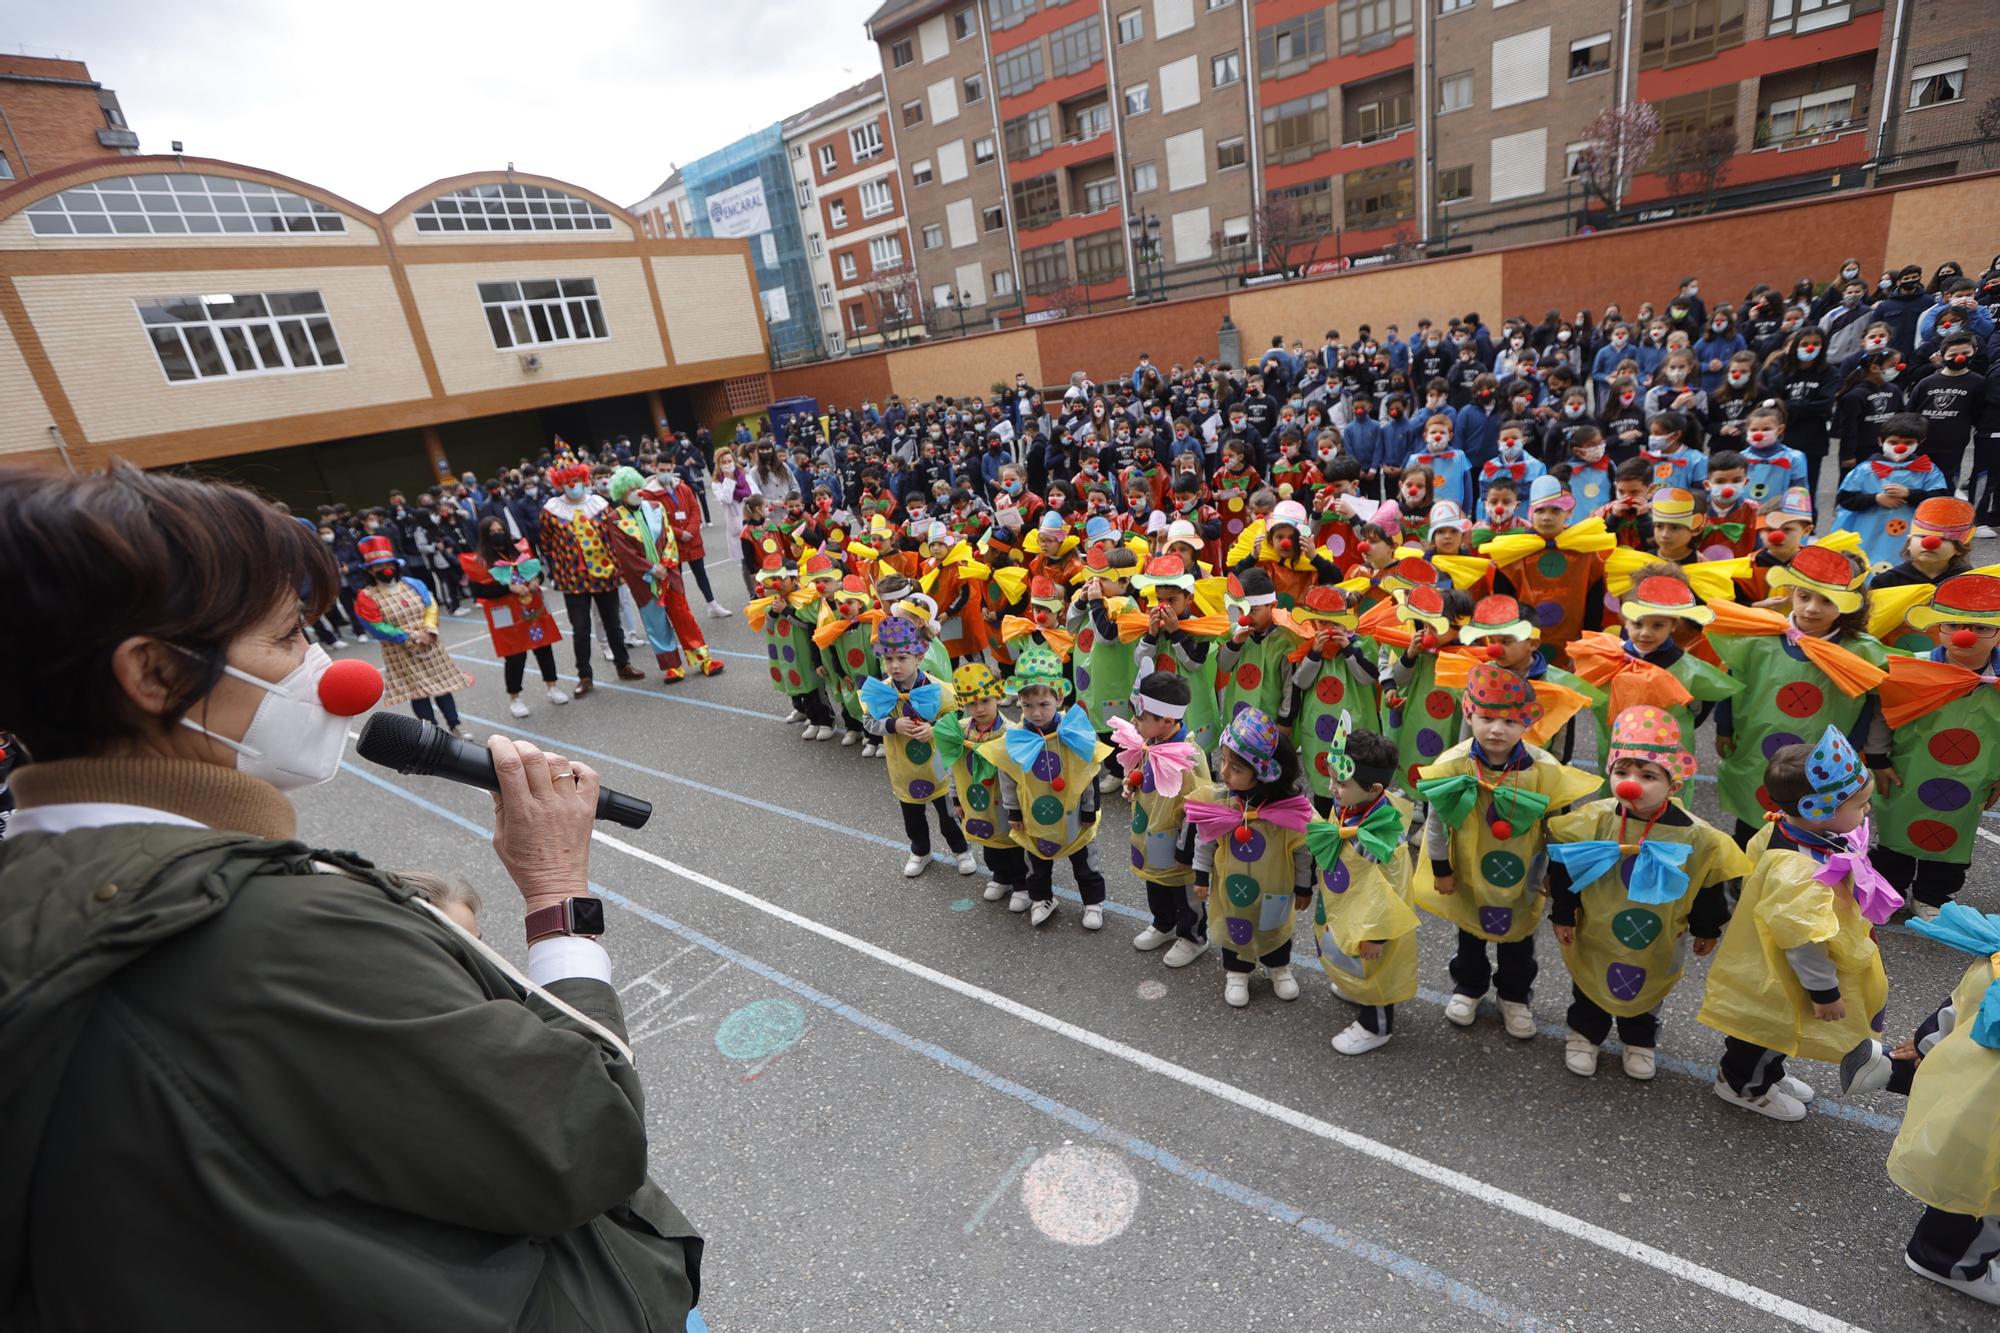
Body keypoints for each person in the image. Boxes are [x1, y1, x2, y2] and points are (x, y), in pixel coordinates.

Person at [0, 464, 702, 1330]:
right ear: (154, 674)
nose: (333, 672)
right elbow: (581, 1136)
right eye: (291, 637)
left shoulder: (29, 890)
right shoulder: (272, 936)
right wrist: (558, 891)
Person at [1696, 729, 1898, 1121]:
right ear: (1817, 809)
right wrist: (1824, 993)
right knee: (1765, 1031)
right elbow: (1802, 941)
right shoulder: (1800, 871)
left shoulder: (1788, 826)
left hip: (1773, 955)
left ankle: (1766, 1076)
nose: (1867, 810)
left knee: (1780, 1030)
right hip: (1782, 969)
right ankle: (1742, 1085)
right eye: (1860, 803)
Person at [1546, 707, 1748, 1080]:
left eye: (1647, 775)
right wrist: (1563, 912)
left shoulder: (1696, 835)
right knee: (1589, 983)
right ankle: (1584, 1034)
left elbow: (1707, 882)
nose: (1631, 783)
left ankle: (1639, 1040)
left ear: (1674, 786)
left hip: (1656, 935)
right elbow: (1564, 864)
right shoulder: (1594, 818)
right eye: (1621, 772)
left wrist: (1708, 927)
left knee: (1647, 988)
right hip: (1596, 928)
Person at [1414, 662, 1599, 1038]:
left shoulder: (1544, 770)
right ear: (1469, 712)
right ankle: (1469, 986)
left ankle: (1514, 996)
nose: (1497, 730)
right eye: (1486, 718)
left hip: (1523, 874)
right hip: (1467, 869)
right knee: (1469, 932)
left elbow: (1558, 826)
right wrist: (1441, 869)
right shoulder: (1452, 764)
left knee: (1518, 939)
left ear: (1527, 723)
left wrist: (1552, 872)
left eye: (1510, 722)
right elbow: (1436, 822)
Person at [1708, 543, 1888, 841]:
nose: (1811, 608)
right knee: (1755, 816)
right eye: (1803, 596)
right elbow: (1733, 680)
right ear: (1791, 591)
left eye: (1827, 601)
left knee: (1815, 821)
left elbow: (1868, 704)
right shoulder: (1758, 639)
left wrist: (1855, 747)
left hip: (1822, 761)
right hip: (1756, 747)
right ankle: (1747, 877)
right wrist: (1724, 727)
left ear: (1850, 604)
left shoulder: (1861, 652)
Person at [1866, 573, 2000, 920]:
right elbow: (1885, 712)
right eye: (1952, 624)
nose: (1964, 635)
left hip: (1971, 779)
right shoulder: (1917, 666)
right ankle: (1888, 890)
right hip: (1907, 770)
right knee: (1895, 835)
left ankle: (1932, 895)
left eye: (1980, 628)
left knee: (1950, 839)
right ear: (1937, 627)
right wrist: (1878, 757)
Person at [1885, 903, 2000, 1308]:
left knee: (1965, 1184)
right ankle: (1949, 1262)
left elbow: (1948, 1014)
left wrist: (1921, 1047)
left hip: (1961, 1098)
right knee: (1982, 1199)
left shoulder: (1995, 962)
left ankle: (1884, 1069)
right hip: (1991, 1123)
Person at [1185, 707, 1316, 1008]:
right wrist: (1201, 874)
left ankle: (1278, 966)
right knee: (1236, 927)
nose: (1224, 772)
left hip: (1276, 889)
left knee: (1275, 927)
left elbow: (1302, 850)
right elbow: (1206, 840)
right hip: (1232, 891)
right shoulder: (1222, 801)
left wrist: (1303, 886)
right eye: (1224, 762)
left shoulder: (1288, 810)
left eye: (1236, 769)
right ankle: (1237, 971)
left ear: (1263, 776)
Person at [1303, 721, 1417, 1056]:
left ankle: (1376, 1025)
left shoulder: (1384, 837)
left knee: (1377, 970)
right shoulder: (1351, 806)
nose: (1332, 787)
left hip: (1373, 920)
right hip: (1348, 902)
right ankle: (1357, 989)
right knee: (1346, 951)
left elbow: (1390, 892)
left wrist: (1377, 936)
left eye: (1341, 782)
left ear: (1374, 788)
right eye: (1332, 778)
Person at [980, 644, 1112, 929]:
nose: (1035, 713)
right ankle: (1042, 898)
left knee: (1084, 859)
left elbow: (1088, 770)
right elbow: (1008, 775)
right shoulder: (1017, 736)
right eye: (1027, 706)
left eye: (1043, 705)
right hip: (1033, 813)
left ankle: (1093, 901)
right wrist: (1013, 812)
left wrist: (1090, 808)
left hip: (1073, 810)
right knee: (1037, 861)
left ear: (1059, 698)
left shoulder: (1073, 730)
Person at [862, 616, 977, 879]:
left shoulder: (936, 689)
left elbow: (959, 720)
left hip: (938, 768)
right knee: (912, 816)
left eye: (902, 658)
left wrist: (934, 728)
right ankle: (920, 851)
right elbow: (867, 721)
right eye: (889, 659)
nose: (895, 665)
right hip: (903, 768)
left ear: (918, 658)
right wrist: (892, 725)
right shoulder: (882, 691)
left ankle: (961, 849)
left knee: (948, 815)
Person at [1112, 671, 1211, 966]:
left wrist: (1187, 850)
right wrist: (1133, 783)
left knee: (1184, 892)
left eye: (1141, 718)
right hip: (1150, 830)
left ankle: (1193, 937)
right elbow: (1148, 776)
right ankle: (1163, 923)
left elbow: (1198, 807)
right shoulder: (1151, 741)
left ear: (1167, 721)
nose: (1134, 724)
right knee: (1156, 884)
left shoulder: (1188, 758)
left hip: (1177, 841)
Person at [599, 468, 722, 684]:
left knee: (684, 616)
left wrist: (665, 564)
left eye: (637, 486)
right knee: (656, 623)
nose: (635, 491)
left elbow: (668, 538)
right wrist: (650, 568)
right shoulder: (615, 518)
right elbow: (624, 553)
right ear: (620, 492)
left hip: (669, 573)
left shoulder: (656, 507)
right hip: (644, 581)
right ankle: (672, 666)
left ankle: (703, 658)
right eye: (629, 489)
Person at [351, 534, 475, 738]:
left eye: (388, 564)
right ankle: (432, 732)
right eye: (378, 567)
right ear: (370, 571)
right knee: (418, 692)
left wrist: (428, 628)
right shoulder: (366, 596)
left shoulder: (413, 583)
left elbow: (431, 605)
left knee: (443, 685)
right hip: (399, 649)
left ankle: (455, 724)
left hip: (430, 642)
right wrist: (408, 636)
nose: (385, 569)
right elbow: (375, 625)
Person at [540, 462, 643, 694]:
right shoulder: (552, 510)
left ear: (583, 479)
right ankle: (585, 676)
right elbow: (545, 543)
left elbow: (615, 535)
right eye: (567, 481)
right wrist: (563, 562)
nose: (572, 485)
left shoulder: (599, 504)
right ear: (560, 483)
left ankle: (623, 665)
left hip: (605, 574)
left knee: (613, 624)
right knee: (581, 628)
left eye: (576, 479)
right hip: (573, 579)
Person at [930, 664, 1027, 906]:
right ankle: (1000, 876)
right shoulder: (961, 732)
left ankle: (1021, 884)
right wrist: (955, 798)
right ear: (963, 704)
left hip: (1006, 802)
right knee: (988, 841)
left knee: (1012, 842)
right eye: (972, 704)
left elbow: (1020, 776)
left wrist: (1020, 807)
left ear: (998, 696)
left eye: (985, 700)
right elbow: (955, 767)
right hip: (977, 801)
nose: (980, 708)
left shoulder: (1010, 733)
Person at [458, 518, 568, 719]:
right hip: (506, 614)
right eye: (493, 531)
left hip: (532, 609)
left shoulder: (519, 550)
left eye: (501, 529)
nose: (498, 533)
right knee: (515, 656)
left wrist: (536, 579)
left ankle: (552, 687)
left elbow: (538, 572)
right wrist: (507, 586)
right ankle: (515, 698)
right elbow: (480, 590)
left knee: (544, 647)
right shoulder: (480, 561)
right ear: (485, 534)